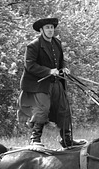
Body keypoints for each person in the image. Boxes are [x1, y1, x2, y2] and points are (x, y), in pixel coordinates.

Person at [17, 17, 85, 148]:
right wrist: (48, 71)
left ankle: (66, 140)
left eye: (52, 28)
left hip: (56, 82)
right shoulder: (33, 45)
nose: (50, 30)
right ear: (41, 30)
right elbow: (29, 66)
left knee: (64, 109)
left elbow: (61, 61)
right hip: (39, 84)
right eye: (47, 28)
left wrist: (64, 68)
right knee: (42, 109)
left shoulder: (57, 43)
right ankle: (35, 139)